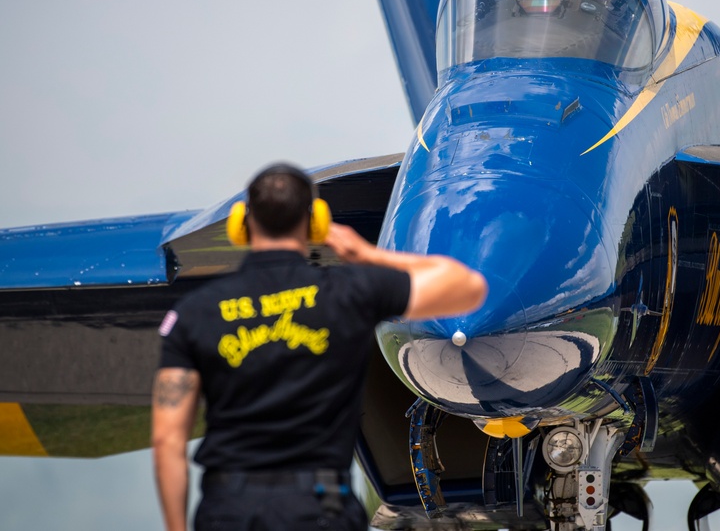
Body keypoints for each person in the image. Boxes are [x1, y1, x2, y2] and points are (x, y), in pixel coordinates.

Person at [151, 163, 487, 531]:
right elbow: (468, 285)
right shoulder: (348, 292)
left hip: (228, 508)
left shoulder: (194, 313)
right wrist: (369, 255)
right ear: (315, 222)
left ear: (240, 225)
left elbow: (168, 439)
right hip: (317, 507)